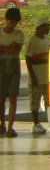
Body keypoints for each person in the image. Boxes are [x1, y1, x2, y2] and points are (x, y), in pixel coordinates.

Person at [0, 8, 24, 138]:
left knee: (13, 97)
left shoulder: (19, 34)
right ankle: (2, 124)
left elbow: (16, 51)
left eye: (15, 22)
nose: (13, 24)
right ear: (6, 20)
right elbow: (13, 49)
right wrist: (10, 48)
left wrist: (3, 48)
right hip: (1, 68)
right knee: (1, 98)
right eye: (11, 21)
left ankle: (10, 127)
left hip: (14, 68)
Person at [25, 17, 50, 134]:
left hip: (47, 77)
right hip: (36, 77)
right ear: (40, 28)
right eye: (47, 26)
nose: (49, 28)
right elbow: (28, 59)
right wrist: (33, 76)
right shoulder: (31, 41)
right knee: (34, 102)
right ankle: (36, 124)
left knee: (49, 103)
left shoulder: (48, 40)